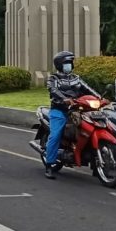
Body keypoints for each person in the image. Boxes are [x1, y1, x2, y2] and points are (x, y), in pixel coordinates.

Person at [43, 50, 100, 179]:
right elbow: (53, 90)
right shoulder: (53, 78)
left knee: (91, 129)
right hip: (60, 110)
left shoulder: (76, 78)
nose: (69, 65)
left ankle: (96, 164)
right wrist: (64, 98)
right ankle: (49, 164)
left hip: (78, 110)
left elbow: (88, 89)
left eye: (70, 62)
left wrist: (100, 98)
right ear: (59, 65)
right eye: (67, 63)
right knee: (55, 135)